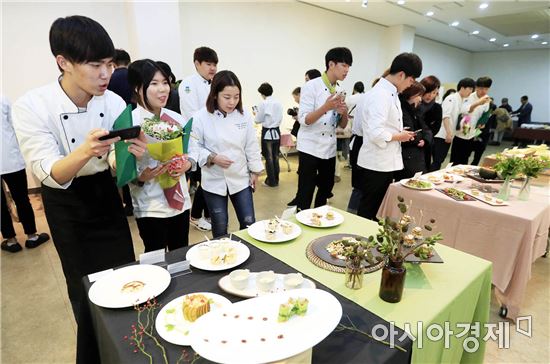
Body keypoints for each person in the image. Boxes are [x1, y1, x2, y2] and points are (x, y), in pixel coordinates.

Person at [12, 15, 142, 321]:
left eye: (109, 64)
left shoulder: (111, 101)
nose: (106, 73)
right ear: (64, 62)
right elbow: (49, 172)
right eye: (95, 65)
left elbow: (115, 161)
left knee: (125, 279)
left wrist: (128, 155)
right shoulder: (32, 105)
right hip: (67, 205)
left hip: (106, 197)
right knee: (86, 292)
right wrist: (85, 151)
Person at [122, 59, 192, 252]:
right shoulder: (130, 122)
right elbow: (122, 168)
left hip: (180, 201)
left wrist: (186, 165)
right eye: (154, 83)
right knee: (156, 259)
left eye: (165, 82)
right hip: (151, 205)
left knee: (180, 255)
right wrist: (140, 177)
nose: (163, 89)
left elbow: (190, 153)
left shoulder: (176, 119)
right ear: (138, 87)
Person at [189, 70, 263, 238]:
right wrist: (212, 157)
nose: (232, 102)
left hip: (240, 178)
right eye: (227, 97)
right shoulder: (201, 117)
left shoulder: (243, 116)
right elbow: (194, 147)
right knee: (220, 226)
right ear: (215, 94)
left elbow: (251, 146)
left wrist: (255, 172)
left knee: (249, 222)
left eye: (236, 97)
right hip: (214, 180)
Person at [356, 52, 422, 220]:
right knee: (368, 210)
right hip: (376, 163)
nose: (409, 85)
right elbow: (375, 132)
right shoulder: (380, 95)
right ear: (401, 75)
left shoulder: (390, 93)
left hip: (384, 162)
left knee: (375, 207)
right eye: (410, 81)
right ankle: (361, 242)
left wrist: (399, 134)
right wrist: (399, 136)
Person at [295, 47, 352, 211]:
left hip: (329, 147)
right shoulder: (311, 86)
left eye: (349, 66)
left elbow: (341, 125)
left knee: (327, 187)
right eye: (344, 65)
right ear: (331, 64)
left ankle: (318, 217)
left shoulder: (340, 90)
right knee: (306, 191)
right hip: (310, 147)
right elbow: (304, 119)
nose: (347, 70)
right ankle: (302, 219)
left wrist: (344, 113)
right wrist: (326, 106)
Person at [1, 96, 50, 253]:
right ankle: (32, 237)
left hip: (11, 158)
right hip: (11, 158)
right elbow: (16, 127)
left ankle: (11, 241)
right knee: (21, 198)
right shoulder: (3, 99)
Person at [179, 46, 218, 232]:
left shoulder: (214, 83)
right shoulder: (188, 84)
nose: (212, 68)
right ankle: (195, 216)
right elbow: (191, 116)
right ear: (197, 64)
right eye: (208, 64)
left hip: (214, 139)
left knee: (211, 180)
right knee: (205, 180)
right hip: (197, 140)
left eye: (215, 64)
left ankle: (208, 215)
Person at [347, 74, 386, 214]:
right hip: (364, 142)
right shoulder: (373, 99)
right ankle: (354, 214)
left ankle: (353, 212)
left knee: (359, 184)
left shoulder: (366, 98)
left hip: (360, 141)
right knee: (362, 184)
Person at [430, 78, 475, 171]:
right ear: (462, 87)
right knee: (437, 160)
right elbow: (445, 116)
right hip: (442, 134)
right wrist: (448, 132)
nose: (470, 92)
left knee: (440, 160)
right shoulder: (451, 98)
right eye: (469, 89)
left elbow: (466, 112)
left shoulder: (462, 100)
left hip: (449, 134)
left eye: (472, 89)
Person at [450, 77, 492, 165]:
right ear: (476, 87)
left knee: (465, 159)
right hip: (461, 132)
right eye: (481, 88)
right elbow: (465, 110)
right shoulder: (469, 96)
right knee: (455, 159)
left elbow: (485, 115)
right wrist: (478, 103)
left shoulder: (487, 99)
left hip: (472, 133)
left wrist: (482, 123)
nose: (483, 91)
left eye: (486, 89)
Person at [395, 81, 428, 180]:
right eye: (419, 95)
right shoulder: (402, 110)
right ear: (412, 94)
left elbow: (424, 129)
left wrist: (424, 138)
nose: (420, 99)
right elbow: (408, 134)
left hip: (411, 154)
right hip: (407, 155)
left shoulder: (413, 109)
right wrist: (419, 138)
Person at [254, 82, 283, 187]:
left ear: (262, 93)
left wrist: (255, 115)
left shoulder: (263, 103)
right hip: (277, 131)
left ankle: (271, 181)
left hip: (267, 132)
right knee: (275, 157)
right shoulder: (278, 103)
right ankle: (276, 180)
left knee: (269, 158)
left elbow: (257, 120)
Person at [418, 75, 442, 169]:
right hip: (410, 143)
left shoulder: (437, 108)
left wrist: (426, 139)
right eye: (428, 92)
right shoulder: (413, 103)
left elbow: (436, 128)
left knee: (424, 168)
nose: (430, 95)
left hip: (427, 143)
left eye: (434, 93)